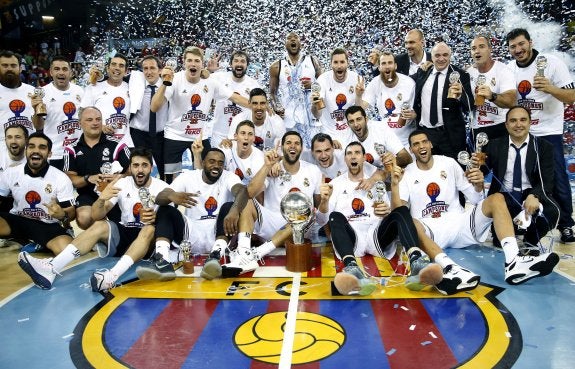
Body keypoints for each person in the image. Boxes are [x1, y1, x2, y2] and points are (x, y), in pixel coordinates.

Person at [398, 130, 559, 285]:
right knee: (410, 222)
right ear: (411, 149)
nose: (421, 146)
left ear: (431, 144)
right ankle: (449, 268)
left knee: (496, 198)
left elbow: (475, 198)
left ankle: (513, 261)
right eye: (416, 144)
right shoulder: (407, 173)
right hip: (431, 232)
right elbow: (400, 211)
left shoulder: (449, 163)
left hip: (460, 225)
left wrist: (478, 184)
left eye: (424, 141)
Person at [317, 141, 472, 296]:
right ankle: (352, 269)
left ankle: (417, 262)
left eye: (357, 153)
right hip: (352, 238)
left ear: (364, 157)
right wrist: (324, 202)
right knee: (334, 216)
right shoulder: (336, 184)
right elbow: (322, 220)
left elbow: (387, 210)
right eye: (349, 153)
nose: (353, 156)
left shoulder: (376, 182)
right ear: (345, 159)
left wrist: (385, 211)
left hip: (375, 234)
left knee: (400, 211)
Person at [17, 148, 169, 291]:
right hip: (126, 235)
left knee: (149, 229)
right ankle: (52, 268)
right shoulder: (122, 183)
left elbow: (170, 223)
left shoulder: (163, 187)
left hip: (149, 242)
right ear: (130, 167)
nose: (140, 169)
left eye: (144, 165)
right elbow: (96, 215)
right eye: (135, 165)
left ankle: (111, 277)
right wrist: (102, 199)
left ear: (151, 167)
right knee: (100, 225)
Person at [135, 148, 249, 281]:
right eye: (212, 161)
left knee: (229, 206)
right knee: (165, 209)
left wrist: (235, 210)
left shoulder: (229, 177)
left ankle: (216, 256)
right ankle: (162, 261)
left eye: (220, 163)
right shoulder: (188, 177)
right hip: (191, 233)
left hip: (218, 232)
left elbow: (242, 191)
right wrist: (172, 195)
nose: (216, 166)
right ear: (203, 162)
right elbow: (160, 197)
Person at [219, 131, 323, 274]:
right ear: (282, 147)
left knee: (308, 211)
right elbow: (250, 192)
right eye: (288, 143)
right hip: (272, 221)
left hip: (298, 227)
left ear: (301, 148)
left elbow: (317, 204)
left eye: (297, 143)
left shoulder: (313, 170)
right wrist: (267, 166)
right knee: (247, 199)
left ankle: (256, 254)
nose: (292, 146)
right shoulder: (273, 168)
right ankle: (244, 253)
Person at [506, 28, 575, 243]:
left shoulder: (552, 63)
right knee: (521, 179)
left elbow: (571, 96)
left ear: (530, 42)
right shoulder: (509, 69)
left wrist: (552, 89)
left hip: (548, 132)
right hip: (520, 133)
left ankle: (566, 225)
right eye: (513, 46)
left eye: (521, 44)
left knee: (558, 179)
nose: (518, 49)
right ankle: (521, 220)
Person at [151, 46, 249, 182]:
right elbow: (154, 107)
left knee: (205, 175)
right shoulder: (175, 79)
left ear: (202, 64)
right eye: (189, 60)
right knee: (171, 180)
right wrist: (164, 83)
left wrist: (258, 105)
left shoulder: (211, 82)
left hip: (199, 137)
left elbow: (235, 97)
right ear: (184, 62)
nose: (193, 64)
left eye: (197, 61)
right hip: (174, 136)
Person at [480, 106, 559, 248]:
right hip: (503, 197)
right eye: (513, 121)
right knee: (499, 244)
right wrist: (475, 167)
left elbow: (547, 181)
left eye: (523, 120)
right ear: (506, 125)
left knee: (553, 211)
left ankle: (530, 239)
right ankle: (508, 233)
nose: (518, 125)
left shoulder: (543, 147)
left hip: (529, 195)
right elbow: (482, 171)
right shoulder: (494, 145)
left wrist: (535, 195)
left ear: (530, 122)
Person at [0, 132, 75, 263]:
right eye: (31, 146)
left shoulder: (61, 178)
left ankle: (37, 243)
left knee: (66, 250)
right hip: (17, 221)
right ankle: (23, 240)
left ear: (49, 154)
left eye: (42, 147)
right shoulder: (10, 173)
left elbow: (71, 213)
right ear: (26, 150)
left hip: (46, 225)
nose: (36, 151)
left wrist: (62, 215)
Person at [62, 106, 131, 230]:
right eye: (89, 120)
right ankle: (101, 232)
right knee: (84, 218)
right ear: (80, 123)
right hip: (88, 195)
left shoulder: (117, 144)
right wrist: (88, 178)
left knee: (126, 223)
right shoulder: (72, 148)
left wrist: (120, 177)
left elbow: (133, 171)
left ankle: (108, 231)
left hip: (115, 194)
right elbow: (70, 178)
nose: (95, 123)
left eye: (98, 119)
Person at [412, 42, 473, 160]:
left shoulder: (461, 75)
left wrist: (460, 96)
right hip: (425, 135)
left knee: (454, 171)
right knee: (429, 172)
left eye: (445, 55)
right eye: (437, 55)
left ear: (450, 56)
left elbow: (470, 106)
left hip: (450, 136)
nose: (441, 58)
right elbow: (403, 81)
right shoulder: (423, 72)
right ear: (431, 57)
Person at [269, 32, 322, 148]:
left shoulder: (313, 62)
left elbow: (324, 87)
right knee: (289, 152)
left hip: (310, 117)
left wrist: (312, 85)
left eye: (296, 38)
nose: (293, 40)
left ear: (301, 43)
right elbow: (272, 93)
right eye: (289, 38)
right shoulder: (276, 66)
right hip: (287, 119)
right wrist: (276, 106)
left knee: (312, 152)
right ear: (285, 44)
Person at [356, 51, 417, 147]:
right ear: (379, 67)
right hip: (387, 138)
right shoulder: (375, 83)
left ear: (395, 66)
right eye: (383, 63)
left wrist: (414, 115)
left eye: (390, 63)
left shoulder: (409, 83)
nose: (387, 66)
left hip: (407, 139)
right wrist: (359, 95)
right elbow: (361, 107)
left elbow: (418, 110)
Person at [467, 35, 516, 140]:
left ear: (490, 49)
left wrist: (492, 96)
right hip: (476, 127)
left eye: (481, 46)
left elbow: (511, 101)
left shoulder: (503, 70)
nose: (477, 51)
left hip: (500, 126)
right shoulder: (468, 72)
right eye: (473, 48)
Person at [209, 50, 261, 148]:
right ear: (230, 64)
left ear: (247, 65)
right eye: (236, 61)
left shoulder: (254, 85)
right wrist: (209, 71)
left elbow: (258, 108)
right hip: (219, 133)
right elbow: (200, 79)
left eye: (242, 61)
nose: (239, 64)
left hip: (242, 137)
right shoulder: (219, 77)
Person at [41, 56, 84, 170]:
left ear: (70, 72)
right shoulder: (43, 93)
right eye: (57, 69)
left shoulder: (80, 91)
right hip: (55, 153)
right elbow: (37, 126)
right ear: (51, 72)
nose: (61, 72)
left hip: (78, 151)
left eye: (65, 69)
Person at [128, 55, 168, 180]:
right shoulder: (135, 82)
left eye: (152, 68)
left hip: (161, 135)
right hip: (138, 134)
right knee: (139, 168)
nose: (149, 72)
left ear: (160, 70)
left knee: (164, 169)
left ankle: (166, 193)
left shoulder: (168, 84)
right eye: (145, 68)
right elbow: (114, 78)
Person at [311, 48, 360, 148]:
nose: (339, 66)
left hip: (351, 133)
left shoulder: (356, 79)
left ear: (347, 63)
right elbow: (317, 115)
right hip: (329, 134)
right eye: (335, 62)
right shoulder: (323, 80)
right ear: (331, 64)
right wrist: (314, 104)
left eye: (342, 62)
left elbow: (360, 111)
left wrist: (359, 95)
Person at [81, 53, 132, 145]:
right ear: (107, 68)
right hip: (100, 143)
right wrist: (100, 127)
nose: (117, 68)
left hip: (126, 143)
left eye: (121, 65)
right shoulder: (93, 88)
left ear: (126, 71)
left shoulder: (132, 89)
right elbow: (82, 115)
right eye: (113, 64)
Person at [344, 105, 412, 170]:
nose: (355, 124)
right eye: (351, 121)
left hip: (389, 174)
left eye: (359, 119)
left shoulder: (381, 129)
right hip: (366, 178)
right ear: (348, 124)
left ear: (366, 119)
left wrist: (393, 161)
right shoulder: (346, 138)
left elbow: (406, 157)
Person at [0, 50, 43, 141]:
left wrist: (37, 113)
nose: (9, 68)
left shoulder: (32, 91)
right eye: (5, 65)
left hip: (28, 147)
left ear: (20, 68)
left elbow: (39, 127)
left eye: (13, 65)